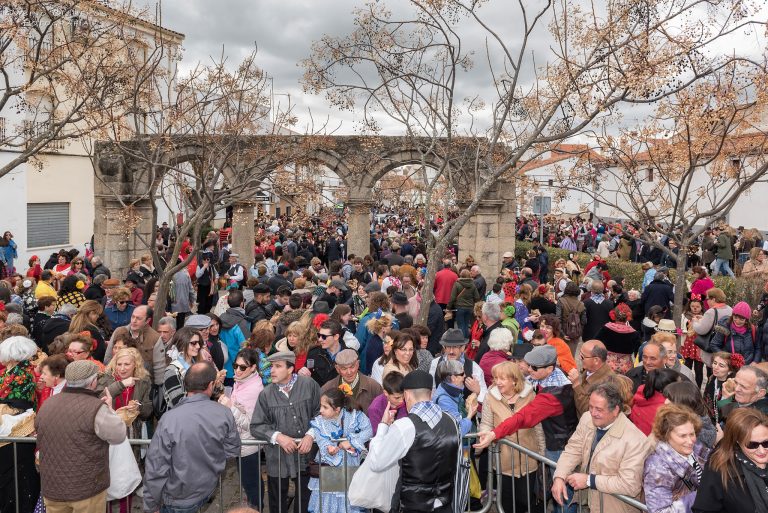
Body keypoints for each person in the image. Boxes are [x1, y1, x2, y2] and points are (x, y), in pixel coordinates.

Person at [475, 345, 579, 513]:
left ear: (549, 369)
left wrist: (494, 434)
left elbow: (524, 419)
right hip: (507, 462)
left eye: (534, 367)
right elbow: (488, 421)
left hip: (556, 449)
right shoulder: (539, 380)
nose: (529, 370)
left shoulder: (554, 393)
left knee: (561, 496)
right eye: (529, 365)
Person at [144, 362, 241, 513]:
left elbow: (156, 466)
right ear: (211, 385)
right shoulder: (224, 413)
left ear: (185, 384)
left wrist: (151, 505)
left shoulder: (169, 419)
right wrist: (212, 462)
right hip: (206, 488)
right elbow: (233, 449)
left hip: (177, 497)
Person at [36, 360, 127, 513]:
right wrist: (110, 410)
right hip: (86, 490)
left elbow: (38, 430)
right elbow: (119, 435)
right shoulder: (96, 407)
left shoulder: (48, 404)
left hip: (53, 488)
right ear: (92, 382)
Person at [366, 369, 462, 513]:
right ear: (431, 394)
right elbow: (457, 467)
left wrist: (383, 425)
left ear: (407, 395)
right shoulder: (452, 421)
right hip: (445, 504)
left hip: (412, 505)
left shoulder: (404, 426)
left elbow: (376, 462)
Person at [551, 382, 652, 513]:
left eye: (599, 409)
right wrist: (559, 476)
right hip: (589, 503)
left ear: (615, 410)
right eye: (590, 407)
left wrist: (589, 480)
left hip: (615, 508)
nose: (593, 413)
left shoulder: (636, 440)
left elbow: (630, 485)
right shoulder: (587, 418)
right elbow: (573, 450)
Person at [250, 351, 321, 513]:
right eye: (271, 366)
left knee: (305, 500)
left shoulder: (309, 385)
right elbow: (256, 426)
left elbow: (321, 413)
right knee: (277, 503)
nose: (272, 371)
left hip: (306, 455)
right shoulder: (266, 394)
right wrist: (278, 437)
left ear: (290, 369)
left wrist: (311, 434)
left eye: (278, 366)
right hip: (277, 457)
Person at [479, 361, 540, 513]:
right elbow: (486, 423)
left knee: (526, 502)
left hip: (528, 459)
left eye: (502, 378)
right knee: (507, 504)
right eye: (495, 378)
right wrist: (484, 434)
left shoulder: (530, 395)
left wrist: (541, 453)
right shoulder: (490, 397)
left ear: (514, 380)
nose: (498, 382)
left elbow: (538, 426)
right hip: (503, 461)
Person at [307, 387, 374, 513]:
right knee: (328, 499)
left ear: (337, 409)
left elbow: (368, 430)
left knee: (347, 498)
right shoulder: (319, 422)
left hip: (349, 465)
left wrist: (351, 442)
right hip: (329, 465)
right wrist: (328, 448)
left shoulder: (354, 416)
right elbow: (321, 439)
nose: (320, 410)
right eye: (321, 406)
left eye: (325, 407)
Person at [693, 408, 768, 512]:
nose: (762, 450)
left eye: (766, 443)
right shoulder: (719, 469)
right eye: (752, 445)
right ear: (738, 442)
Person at [218, 348, 265, 510]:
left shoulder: (253, 389)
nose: (237, 370)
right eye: (235, 366)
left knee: (252, 485)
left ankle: (255, 509)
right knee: (250, 484)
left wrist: (230, 407)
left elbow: (251, 424)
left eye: (242, 367)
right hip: (241, 443)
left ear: (253, 368)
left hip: (248, 445)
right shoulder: (242, 381)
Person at [643, 404, 710, 513]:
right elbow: (660, 511)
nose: (690, 441)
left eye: (692, 434)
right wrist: (702, 495)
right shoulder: (657, 468)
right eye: (682, 436)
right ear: (666, 435)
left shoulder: (695, 447)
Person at [98, 347, 153, 438]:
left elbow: (148, 411)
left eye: (127, 364)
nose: (122, 368)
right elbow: (98, 399)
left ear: (135, 365)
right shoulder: (105, 379)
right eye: (119, 364)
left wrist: (138, 407)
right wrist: (122, 384)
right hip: (109, 429)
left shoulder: (143, 381)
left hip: (133, 432)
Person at [571, 340, 632, 416]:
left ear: (596, 360)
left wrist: (576, 384)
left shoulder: (606, 383)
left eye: (582, 356)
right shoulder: (590, 369)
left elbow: (588, 412)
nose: (579, 358)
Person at [429, 328, 487, 403]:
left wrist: (478, 391)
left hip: (465, 410)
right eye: (448, 347)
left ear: (463, 347)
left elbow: (486, 398)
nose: (451, 351)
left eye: (455, 347)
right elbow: (432, 390)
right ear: (444, 347)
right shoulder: (435, 363)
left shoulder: (474, 367)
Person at [320, 348, 382, 415]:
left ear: (358, 364)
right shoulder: (327, 389)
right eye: (344, 368)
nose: (349, 372)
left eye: (352, 367)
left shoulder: (373, 386)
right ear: (337, 369)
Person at [664, 381, 718, 450]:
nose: (666, 402)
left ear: (684, 405)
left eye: (670, 400)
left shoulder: (693, 433)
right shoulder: (694, 420)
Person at [630, 368, 683, 436]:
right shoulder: (667, 410)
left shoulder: (640, 396)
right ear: (669, 388)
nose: (683, 386)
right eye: (679, 384)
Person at [433, 359, 478, 436]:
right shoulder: (444, 400)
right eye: (462, 374)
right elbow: (457, 430)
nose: (465, 375)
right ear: (453, 378)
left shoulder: (446, 387)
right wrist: (470, 415)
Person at [594, 303, 642, 374]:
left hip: (608, 364)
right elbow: (638, 352)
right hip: (626, 366)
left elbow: (595, 342)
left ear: (614, 315)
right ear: (628, 316)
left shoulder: (606, 328)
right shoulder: (634, 333)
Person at [709, 301, 759, 365]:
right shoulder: (725, 327)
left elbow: (758, 348)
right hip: (730, 365)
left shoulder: (752, 330)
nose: (737, 321)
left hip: (747, 366)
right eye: (735, 317)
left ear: (746, 320)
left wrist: (755, 361)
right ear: (732, 315)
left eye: (741, 319)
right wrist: (725, 358)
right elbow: (714, 344)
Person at [367, 370, 408, 435]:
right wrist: (386, 424)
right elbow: (377, 435)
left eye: (403, 396)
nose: (402, 401)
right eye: (397, 398)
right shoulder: (375, 409)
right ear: (386, 393)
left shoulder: (408, 400)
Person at [703, 351, 736, 426]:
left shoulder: (732, 386)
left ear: (730, 370)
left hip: (723, 423)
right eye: (715, 363)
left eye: (721, 366)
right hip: (709, 418)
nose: (715, 367)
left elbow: (728, 411)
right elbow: (705, 398)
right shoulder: (711, 378)